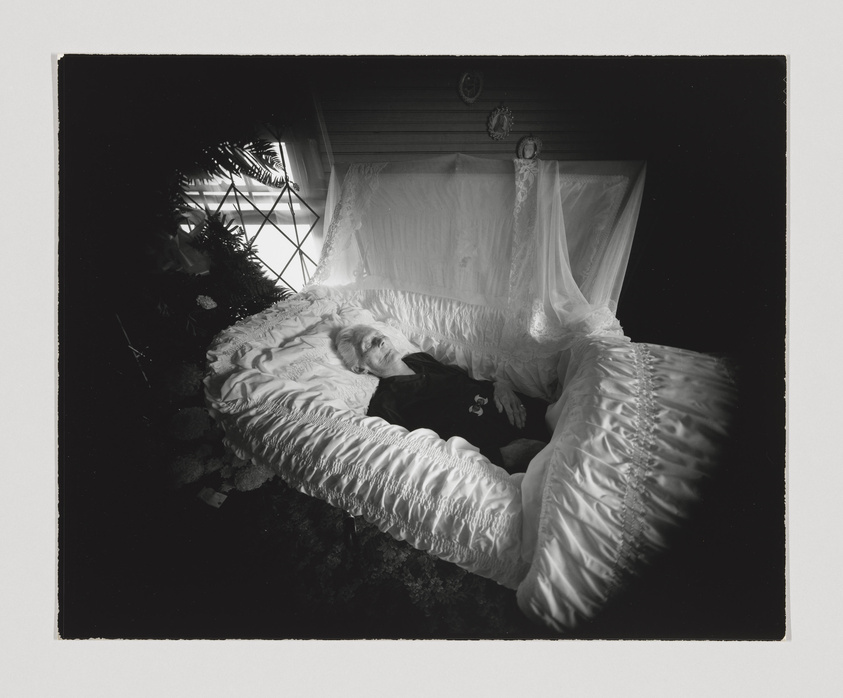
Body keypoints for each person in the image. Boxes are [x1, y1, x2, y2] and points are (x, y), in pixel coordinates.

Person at [335, 324, 549, 473]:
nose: (381, 340)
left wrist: (500, 385)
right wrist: (501, 456)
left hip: (516, 408)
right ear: (359, 368)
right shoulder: (385, 405)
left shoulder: (420, 359)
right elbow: (426, 453)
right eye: (369, 343)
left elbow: (465, 379)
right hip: (500, 445)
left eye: (379, 334)